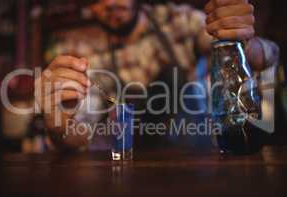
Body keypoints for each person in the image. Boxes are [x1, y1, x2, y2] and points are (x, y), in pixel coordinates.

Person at [36, 0, 279, 151]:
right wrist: (58, 123)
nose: (109, 2)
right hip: (131, 170)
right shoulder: (86, 52)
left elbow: (268, 56)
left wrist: (242, 41)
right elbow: (77, 136)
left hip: (198, 159)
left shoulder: (179, 21)